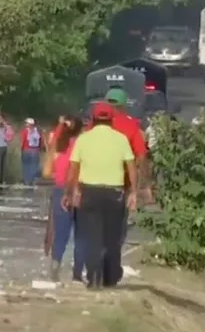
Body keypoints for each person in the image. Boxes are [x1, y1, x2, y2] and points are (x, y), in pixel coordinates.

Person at [63, 102, 137, 290]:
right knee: (112, 238)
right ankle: (110, 277)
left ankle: (94, 278)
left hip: (89, 192)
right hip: (114, 193)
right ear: (111, 120)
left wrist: (69, 192)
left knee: (91, 237)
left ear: (93, 120)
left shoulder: (83, 139)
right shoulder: (121, 139)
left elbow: (73, 168)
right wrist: (133, 191)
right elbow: (131, 166)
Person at [102, 87, 148, 284]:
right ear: (124, 106)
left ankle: (92, 269)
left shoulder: (96, 125)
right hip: (120, 186)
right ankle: (111, 271)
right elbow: (141, 157)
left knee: (94, 228)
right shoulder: (131, 127)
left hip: (91, 183)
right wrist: (142, 186)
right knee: (116, 231)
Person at [48, 116, 84, 281]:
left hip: (59, 189)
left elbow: (48, 171)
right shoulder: (82, 144)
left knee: (60, 232)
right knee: (81, 233)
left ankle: (55, 266)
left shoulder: (57, 145)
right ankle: (77, 273)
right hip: (80, 190)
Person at [19, 118, 44, 185]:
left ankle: (26, 179)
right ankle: (31, 180)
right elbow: (41, 141)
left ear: (28, 124)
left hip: (26, 150)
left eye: (26, 123)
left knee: (26, 165)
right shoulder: (38, 131)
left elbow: (22, 141)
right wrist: (40, 149)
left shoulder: (25, 131)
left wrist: (21, 148)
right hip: (35, 151)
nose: (25, 124)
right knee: (34, 166)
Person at [0, 112, 14, 186]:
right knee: (3, 165)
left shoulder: (1, 125)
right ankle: (2, 181)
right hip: (4, 146)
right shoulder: (7, 125)